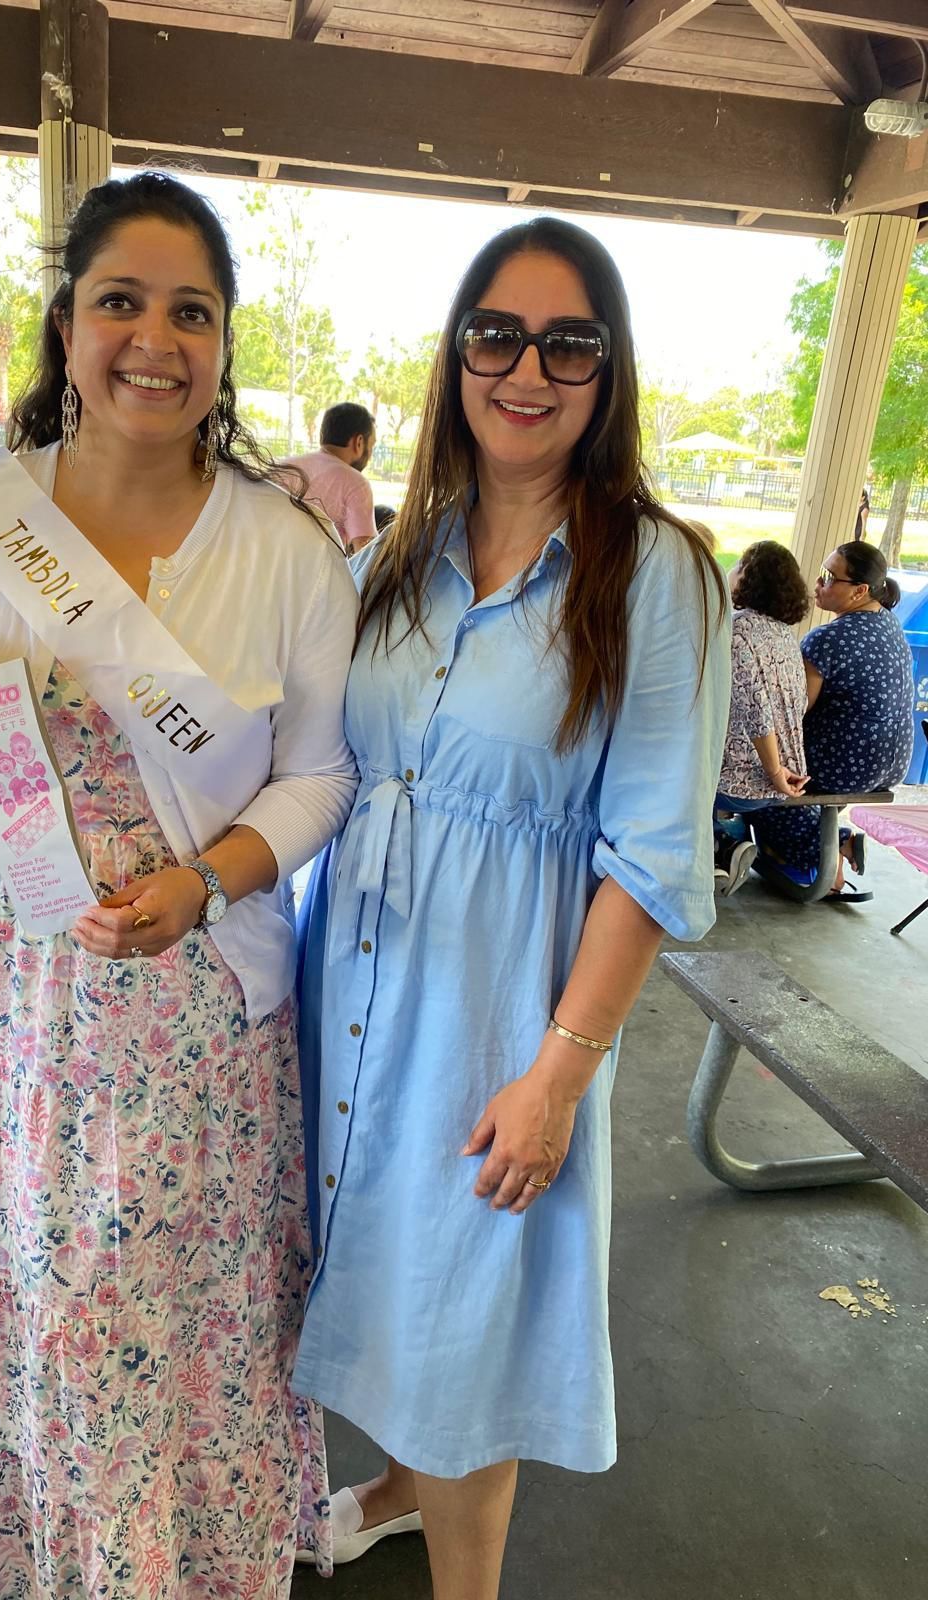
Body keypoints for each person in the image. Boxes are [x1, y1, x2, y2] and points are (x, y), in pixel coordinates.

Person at [0, 172, 358, 1598]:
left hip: (187, 1015)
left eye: (191, 311)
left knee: (156, 1315)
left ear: (224, 344)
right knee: (27, 1302)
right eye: (120, 301)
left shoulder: (287, 554)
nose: (155, 338)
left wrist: (208, 883)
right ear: (67, 326)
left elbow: (320, 777)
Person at [293, 219, 729, 1598]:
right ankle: (405, 1486)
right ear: (455, 357)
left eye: (568, 342)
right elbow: (321, 764)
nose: (526, 368)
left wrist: (561, 1072)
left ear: (610, 374)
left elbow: (651, 855)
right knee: (379, 1274)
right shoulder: (393, 557)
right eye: (497, 333)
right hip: (347, 982)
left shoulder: (656, 575)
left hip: (497, 1011)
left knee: (465, 1313)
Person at [751, 540, 914, 900]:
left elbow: (793, 712)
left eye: (828, 577)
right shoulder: (889, 624)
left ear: (858, 591)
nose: (818, 584)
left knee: (756, 780)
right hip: (893, 764)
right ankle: (834, 846)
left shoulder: (828, 638)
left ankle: (829, 853)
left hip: (848, 766)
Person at [713, 540, 809, 895]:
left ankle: (718, 849)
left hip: (746, 782)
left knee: (678, 773)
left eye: (738, 565)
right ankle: (727, 842)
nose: (731, 571)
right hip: (788, 776)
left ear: (749, 578)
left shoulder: (735, 632)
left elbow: (757, 713)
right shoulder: (785, 635)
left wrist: (772, 770)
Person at [280, 401, 379, 552]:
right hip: (316, 573)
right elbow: (366, 553)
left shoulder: (283, 467)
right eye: (371, 446)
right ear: (359, 442)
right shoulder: (356, 483)